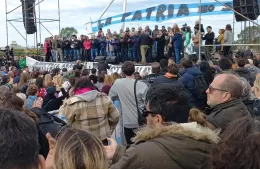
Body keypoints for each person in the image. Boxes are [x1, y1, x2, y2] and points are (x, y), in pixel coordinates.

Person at [106, 84, 218, 169]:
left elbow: (144, 157)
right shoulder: (213, 144)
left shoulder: (141, 153)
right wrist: (120, 152)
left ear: (158, 119)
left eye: (146, 112)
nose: (145, 117)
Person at [59, 77, 119, 144]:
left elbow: (68, 122)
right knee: (103, 153)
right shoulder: (105, 99)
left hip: (81, 138)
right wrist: (108, 127)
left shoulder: (72, 103)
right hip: (102, 137)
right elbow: (116, 116)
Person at [109, 61, 148, 145]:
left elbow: (110, 96)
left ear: (122, 72)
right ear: (134, 70)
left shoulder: (118, 83)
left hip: (127, 121)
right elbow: (148, 103)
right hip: (141, 121)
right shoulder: (143, 85)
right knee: (142, 145)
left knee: (130, 147)